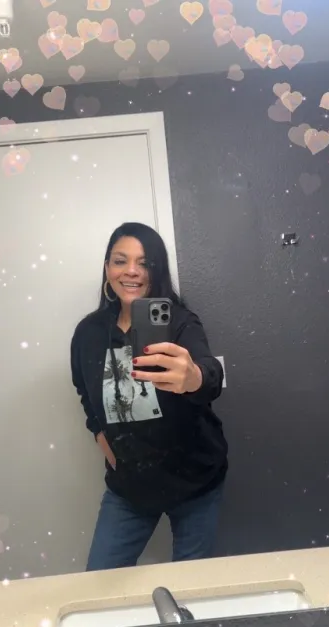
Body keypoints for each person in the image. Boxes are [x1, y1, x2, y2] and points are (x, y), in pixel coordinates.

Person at [71, 222, 228, 571]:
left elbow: (209, 375)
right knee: (100, 584)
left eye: (144, 263)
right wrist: (98, 432)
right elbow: (82, 387)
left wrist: (194, 377)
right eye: (120, 260)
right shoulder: (89, 333)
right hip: (129, 486)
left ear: (157, 271)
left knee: (190, 586)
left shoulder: (180, 323)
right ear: (107, 268)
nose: (131, 271)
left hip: (194, 480)